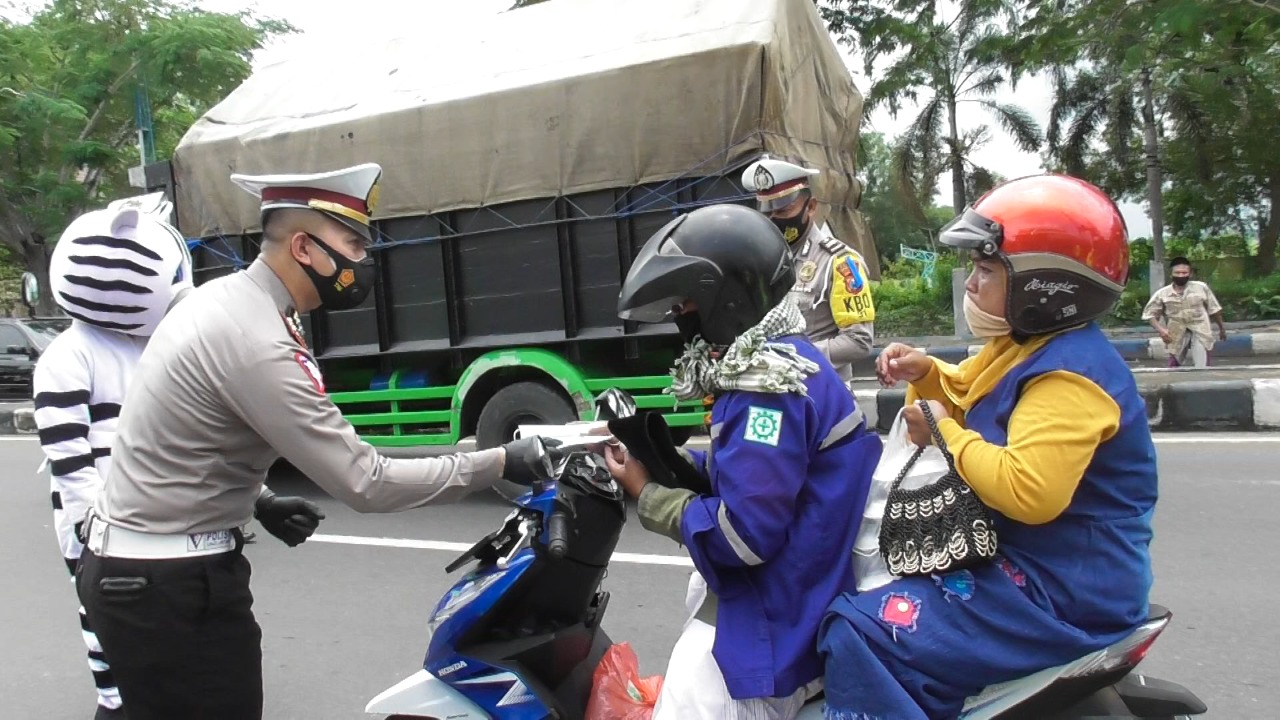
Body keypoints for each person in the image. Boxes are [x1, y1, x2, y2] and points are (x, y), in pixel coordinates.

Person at [75, 163, 559, 720]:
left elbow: (184, 435)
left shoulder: (227, 302)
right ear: (304, 247)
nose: (364, 260)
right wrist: (498, 461)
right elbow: (366, 482)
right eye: (353, 242)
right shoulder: (255, 337)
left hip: (141, 574)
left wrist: (259, 499)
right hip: (169, 589)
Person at [817, 174, 1158, 720]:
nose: (970, 285)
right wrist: (927, 371)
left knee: (857, 632)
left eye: (985, 270)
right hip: (1034, 569)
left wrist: (945, 433)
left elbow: (1029, 491)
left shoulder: (1070, 376)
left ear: (1044, 288)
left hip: (1063, 593)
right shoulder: (1025, 347)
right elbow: (969, 389)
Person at [603, 203, 882, 719]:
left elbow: (744, 537)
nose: (678, 314)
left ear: (721, 299)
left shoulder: (764, 392)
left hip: (785, 614)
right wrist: (674, 460)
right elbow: (766, 472)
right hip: (810, 578)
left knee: (686, 704)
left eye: (685, 301)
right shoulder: (782, 356)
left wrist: (653, 499)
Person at [33, 193, 194, 719]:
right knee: (104, 619)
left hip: (156, 517)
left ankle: (154, 692)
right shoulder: (68, 356)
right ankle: (114, 701)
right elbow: (68, 454)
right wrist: (87, 523)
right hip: (98, 525)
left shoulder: (150, 346)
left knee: (162, 619)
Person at [741, 155, 876, 386]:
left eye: (783, 211)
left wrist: (787, 356)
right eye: (767, 213)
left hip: (821, 393)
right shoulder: (757, 259)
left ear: (811, 207)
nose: (774, 220)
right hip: (768, 390)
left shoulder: (841, 262)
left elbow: (859, 341)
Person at [1143, 255, 1227, 367]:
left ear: (1190, 274)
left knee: (1202, 367)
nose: (1181, 275)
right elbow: (1149, 314)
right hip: (1176, 331)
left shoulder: (1201, 288)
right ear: (1171, 273)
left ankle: (1201, 382)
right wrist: (1161, 330)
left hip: (1200, 329)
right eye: (1177, 273)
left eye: (1184, 273)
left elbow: (1214, 309)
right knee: (1174, 366)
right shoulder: (1162, 293)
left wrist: (1222, 329)